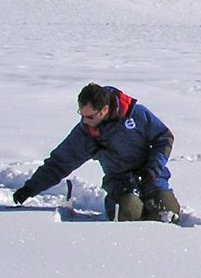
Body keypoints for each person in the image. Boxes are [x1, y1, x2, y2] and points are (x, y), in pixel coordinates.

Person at [13, 83, 181, 223]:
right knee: (129, 212)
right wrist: (30, 189)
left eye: (90, 117)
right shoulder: (85, 134)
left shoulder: (136, 115)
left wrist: (153, 167)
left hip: (151, 175)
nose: (85, 121)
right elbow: (59, 163)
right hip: (119, 182)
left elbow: (164, 138)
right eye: (81, 115)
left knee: (168, 213)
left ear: (104, 110)